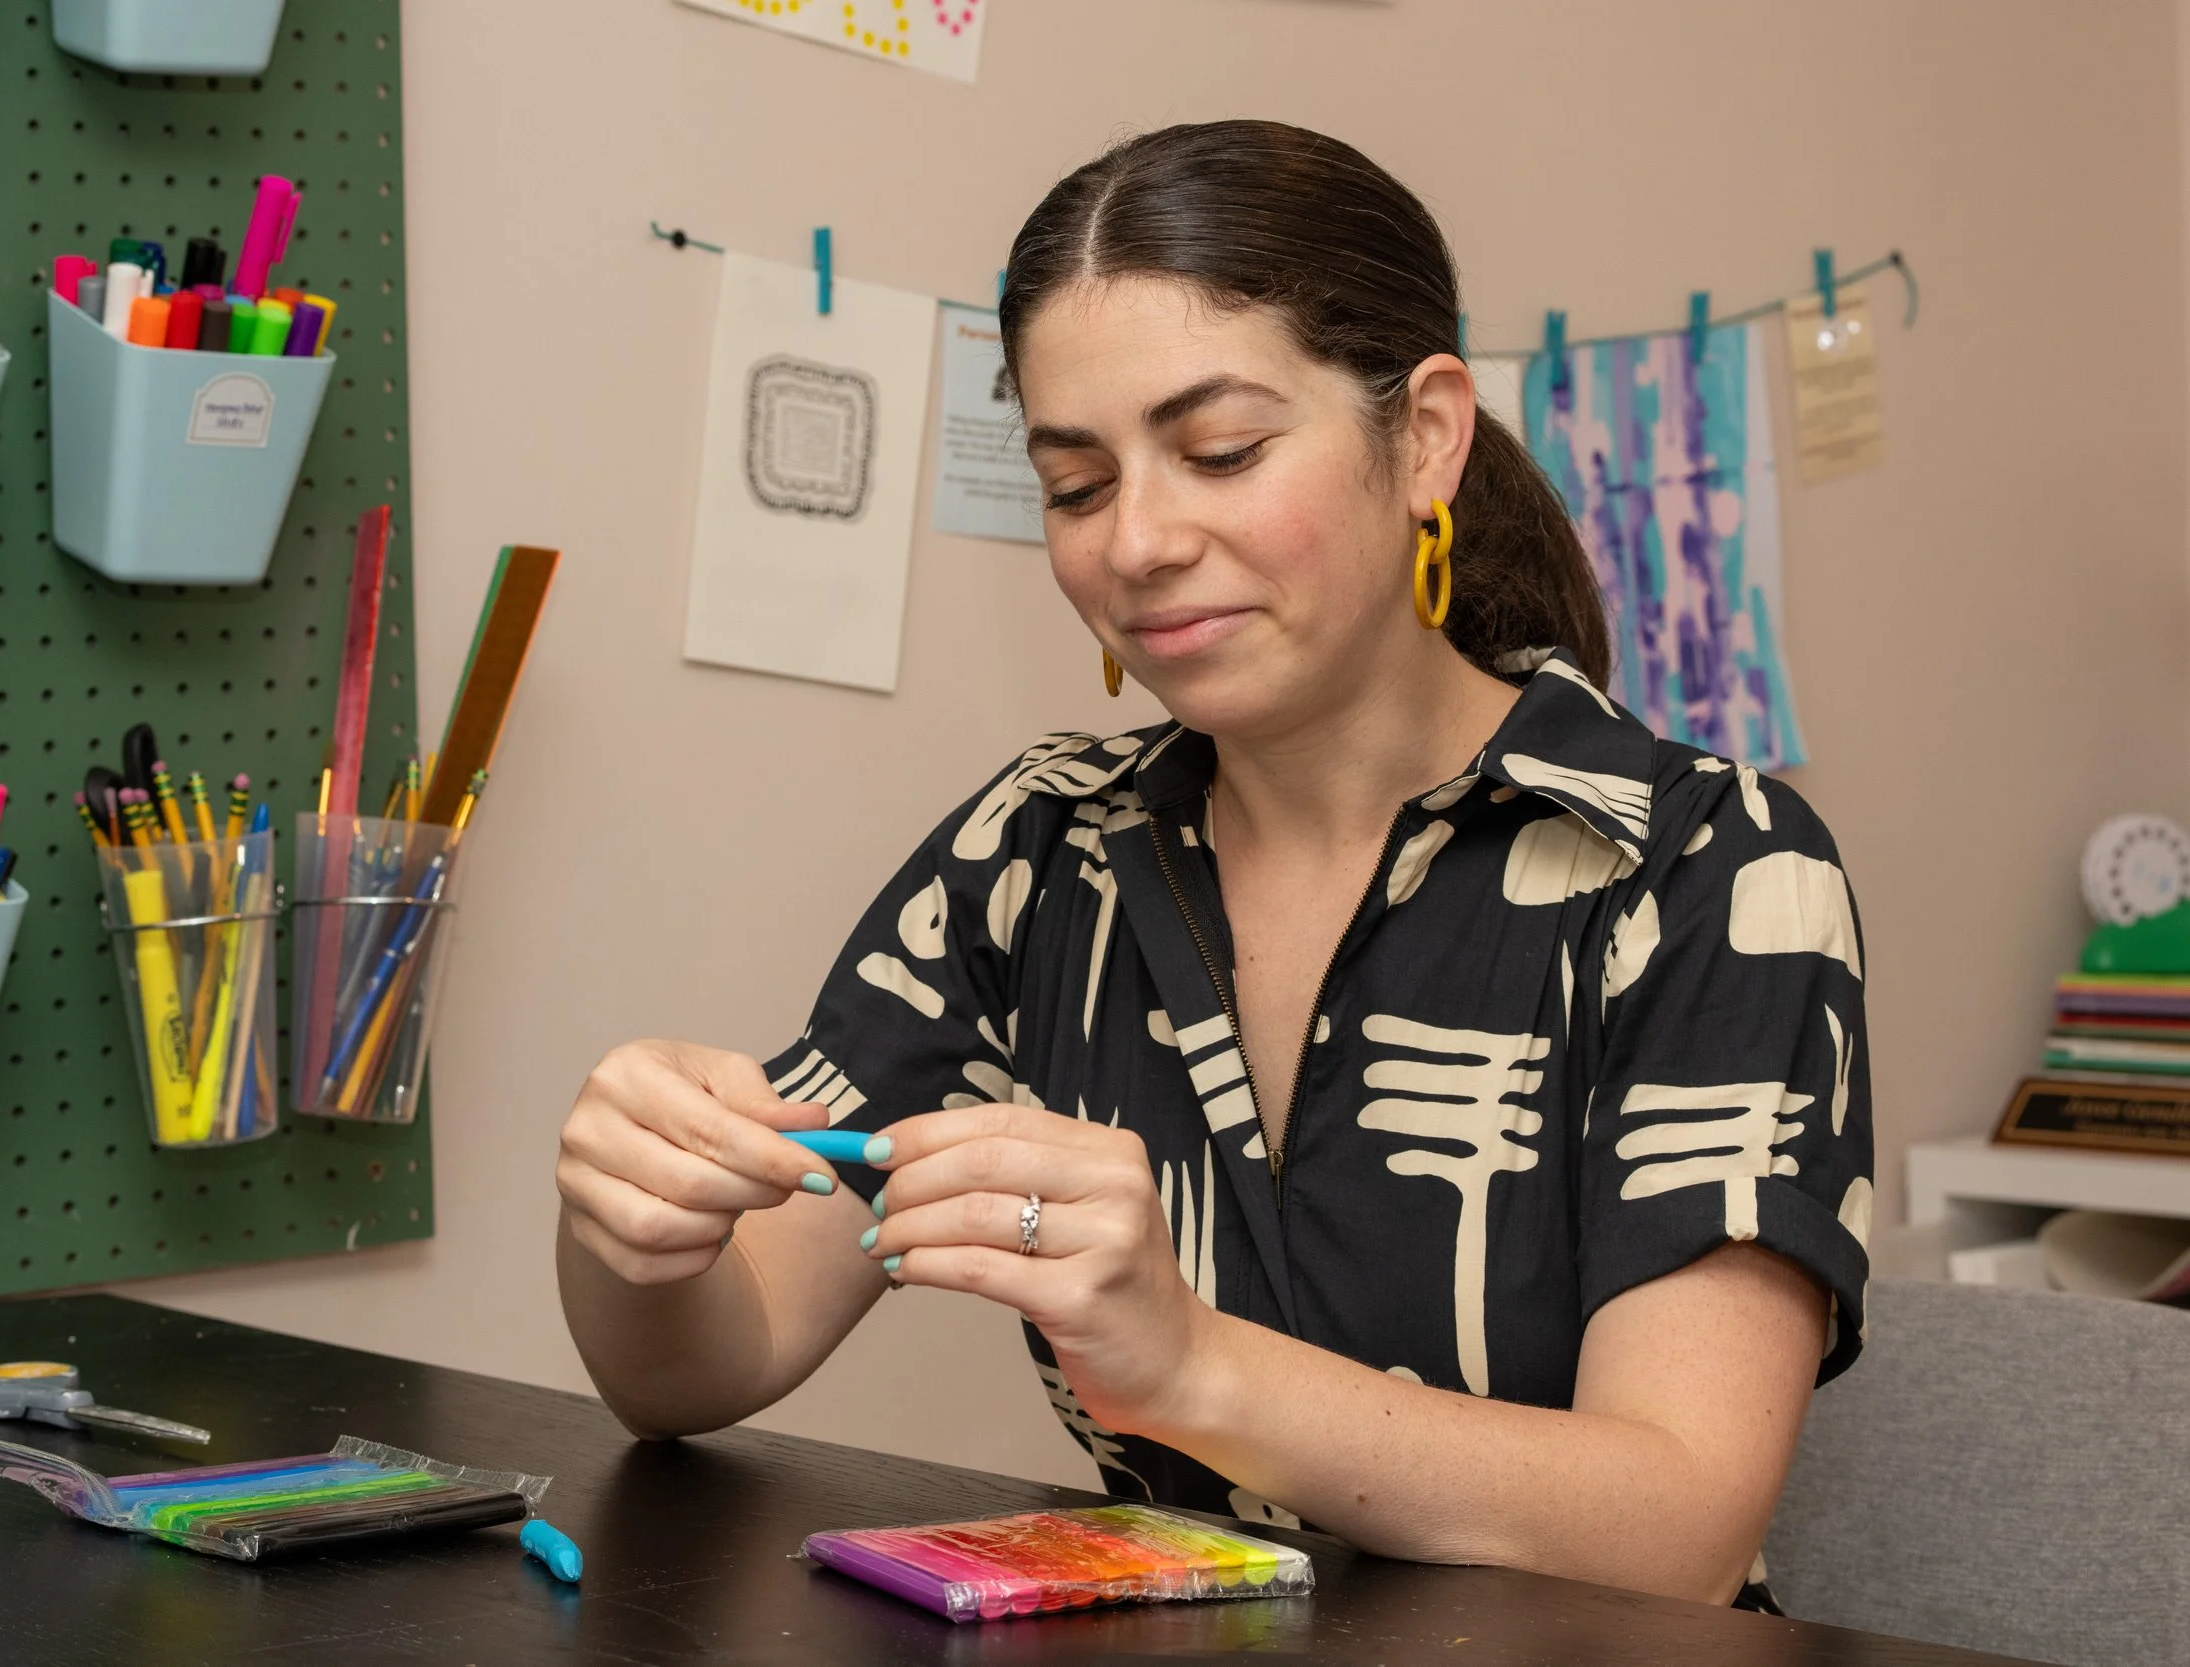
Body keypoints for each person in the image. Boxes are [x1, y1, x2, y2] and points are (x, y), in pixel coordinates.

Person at [557, 120, 1873, 1610]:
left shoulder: (1704, 868)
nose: (1140, 542)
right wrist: (632, 1225)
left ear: (1426, 435)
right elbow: (701, 1365)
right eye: (1074, 483)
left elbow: (1678, 1525)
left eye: (1222, 452)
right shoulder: (1040, 852)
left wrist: (1185, 1361)